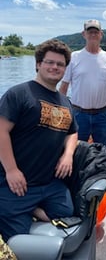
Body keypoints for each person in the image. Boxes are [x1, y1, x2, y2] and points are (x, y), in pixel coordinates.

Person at [0, 39, 78, 242]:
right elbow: (1, 131)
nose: (55, 67)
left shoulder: (65, 101)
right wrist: (11, 170)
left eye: (60, 64)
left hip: (49, 182)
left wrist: (68, 155)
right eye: (49, 62)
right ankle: (26, 208)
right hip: (16, 182)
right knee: (18, 242)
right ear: (38, 64)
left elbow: (72, 132)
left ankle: (34, 209)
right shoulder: (19, 93)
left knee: (68, 211)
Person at [59, 19, 106, 151]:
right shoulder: (74, 57)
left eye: (96, 32)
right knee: (74, 153)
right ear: (83, 34)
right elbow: (64, 87)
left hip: (103, 115)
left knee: (103, 153)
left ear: (101, 34)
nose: (93, 34)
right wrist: (60, 112)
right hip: (78, 114)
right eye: (89, 31)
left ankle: (102, 172)